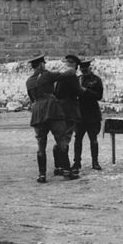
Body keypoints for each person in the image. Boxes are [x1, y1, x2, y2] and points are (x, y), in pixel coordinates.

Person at [25, 53, 75, 183]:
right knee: (61, 139)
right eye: (44, 64)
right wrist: (71, 69)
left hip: (37, 113)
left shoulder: (29, 81)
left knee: (41, 144)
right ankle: (67, 171)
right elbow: (64, 76)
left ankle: (42, 175)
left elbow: (32, 98)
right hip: (52, 110)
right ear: (41, 65)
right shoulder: (46, 75)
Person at [54, 54, 83, 178]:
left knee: (59, 138)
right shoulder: (71, 76)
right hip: (69, 110)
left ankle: (58, 166)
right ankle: (66, 169)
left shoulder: (60, 76)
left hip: (59, 110)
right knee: (65, 139)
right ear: (75, 65)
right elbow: (78, 92)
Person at [72, 58, 103, 171]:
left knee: (93, 139)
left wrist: (85, 90)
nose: (83, 70)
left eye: (85, 68)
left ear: (89, 68)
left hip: (92, 114)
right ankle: (77, 162)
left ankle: (95, 162)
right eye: (82, 68)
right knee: (78, 139)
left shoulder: (96, 80)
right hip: (80, 114)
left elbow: (99, 96)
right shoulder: (77, 79)